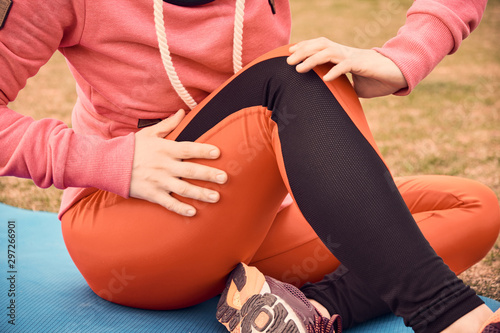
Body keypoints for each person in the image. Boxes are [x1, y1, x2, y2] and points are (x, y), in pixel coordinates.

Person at [1, 0, 499, 332]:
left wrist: (404, 57)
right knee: (295, 74)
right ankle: (446, 313)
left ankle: (312, 310)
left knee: (474, 208)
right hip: (128, 228)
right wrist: (109, 160)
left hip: (252, 227)